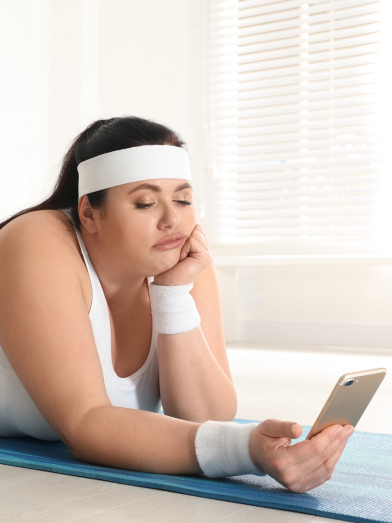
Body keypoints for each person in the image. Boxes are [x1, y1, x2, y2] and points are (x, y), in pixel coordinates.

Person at [0, 116, 354, 493]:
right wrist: (248, 450)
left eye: (183, 199)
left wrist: (172, 297)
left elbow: (206, 415)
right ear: (89, 213)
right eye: (145, 203)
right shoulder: (38, 240)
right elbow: (86, 424)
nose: (172, 220)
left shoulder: (181, 262)